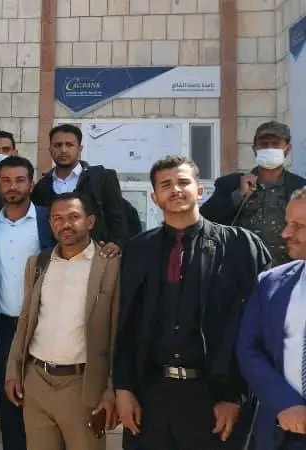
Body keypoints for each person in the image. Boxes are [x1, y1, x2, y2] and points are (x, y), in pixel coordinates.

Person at [115, 155, 271, 449]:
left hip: (214, 400)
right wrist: (123, 388)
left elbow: (258, 328)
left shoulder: (239, 246)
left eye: (183, 182)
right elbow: (126, 325)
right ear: (154, 197)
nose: (175, 189)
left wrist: (235, 396)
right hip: (151, 398)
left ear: (199, 191)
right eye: (165, 185)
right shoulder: (139, 249)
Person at [4, 192, 120, 450]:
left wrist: (111, 389)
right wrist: (14, 370)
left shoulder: (110, 264)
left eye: (73, 217)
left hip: (83, 386)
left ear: (90, 221)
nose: (65, 224)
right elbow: (25, 321)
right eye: (57, 218)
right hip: (37, 382)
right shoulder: (38, 263)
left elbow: (118, 333)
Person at [0, 156, 54, 450]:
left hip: (44, 327)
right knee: (10, 403)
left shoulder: (48, 220)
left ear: (31, 183)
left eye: (19, 180)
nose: (12, 186)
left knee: (43, 405)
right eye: (6, 181)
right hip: (3, 328)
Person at [236, 187, 306, 450]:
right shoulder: (271, 282)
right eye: (288, 223)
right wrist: (285, 402)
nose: (286, 233)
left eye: (298, 226)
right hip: (281, 432)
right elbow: (248, 348)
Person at [202, 121, 306, 266]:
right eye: (264, 144)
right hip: (242, 271)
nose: (269, 148)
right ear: (255, 149)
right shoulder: (230, 184)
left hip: (287, 270)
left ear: (287, 150)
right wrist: (238, 196)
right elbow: (206, 220)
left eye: (275, 144)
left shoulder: (300, 187)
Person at [31, 124, 128, 257]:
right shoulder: (42, 187)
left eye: (69, 145)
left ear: (80, 148)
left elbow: (118, 216)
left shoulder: (101, 178)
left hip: (97, 257)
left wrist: (116, 243)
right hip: (56, 259)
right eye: (58, 145)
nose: (63, 150)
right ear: (50, 149)